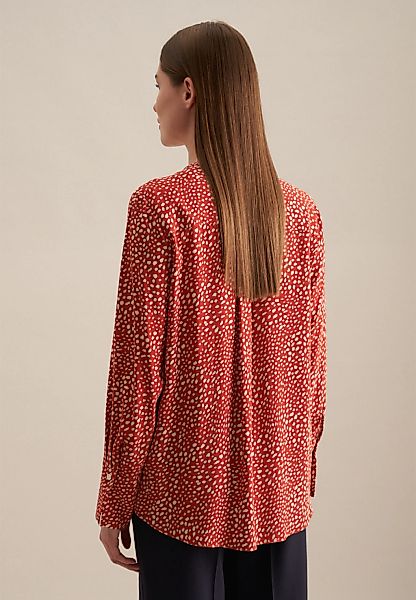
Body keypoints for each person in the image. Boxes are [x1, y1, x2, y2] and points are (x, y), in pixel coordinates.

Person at [95, 20, 327, 600]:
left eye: (158, 86)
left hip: (180, 503)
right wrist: (297, 479)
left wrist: (114, 500)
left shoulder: (159, 208)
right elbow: (311, 375)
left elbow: (137, 373)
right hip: (276, 498)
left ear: (189, 91)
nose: (154, 103)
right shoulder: (299, 213)